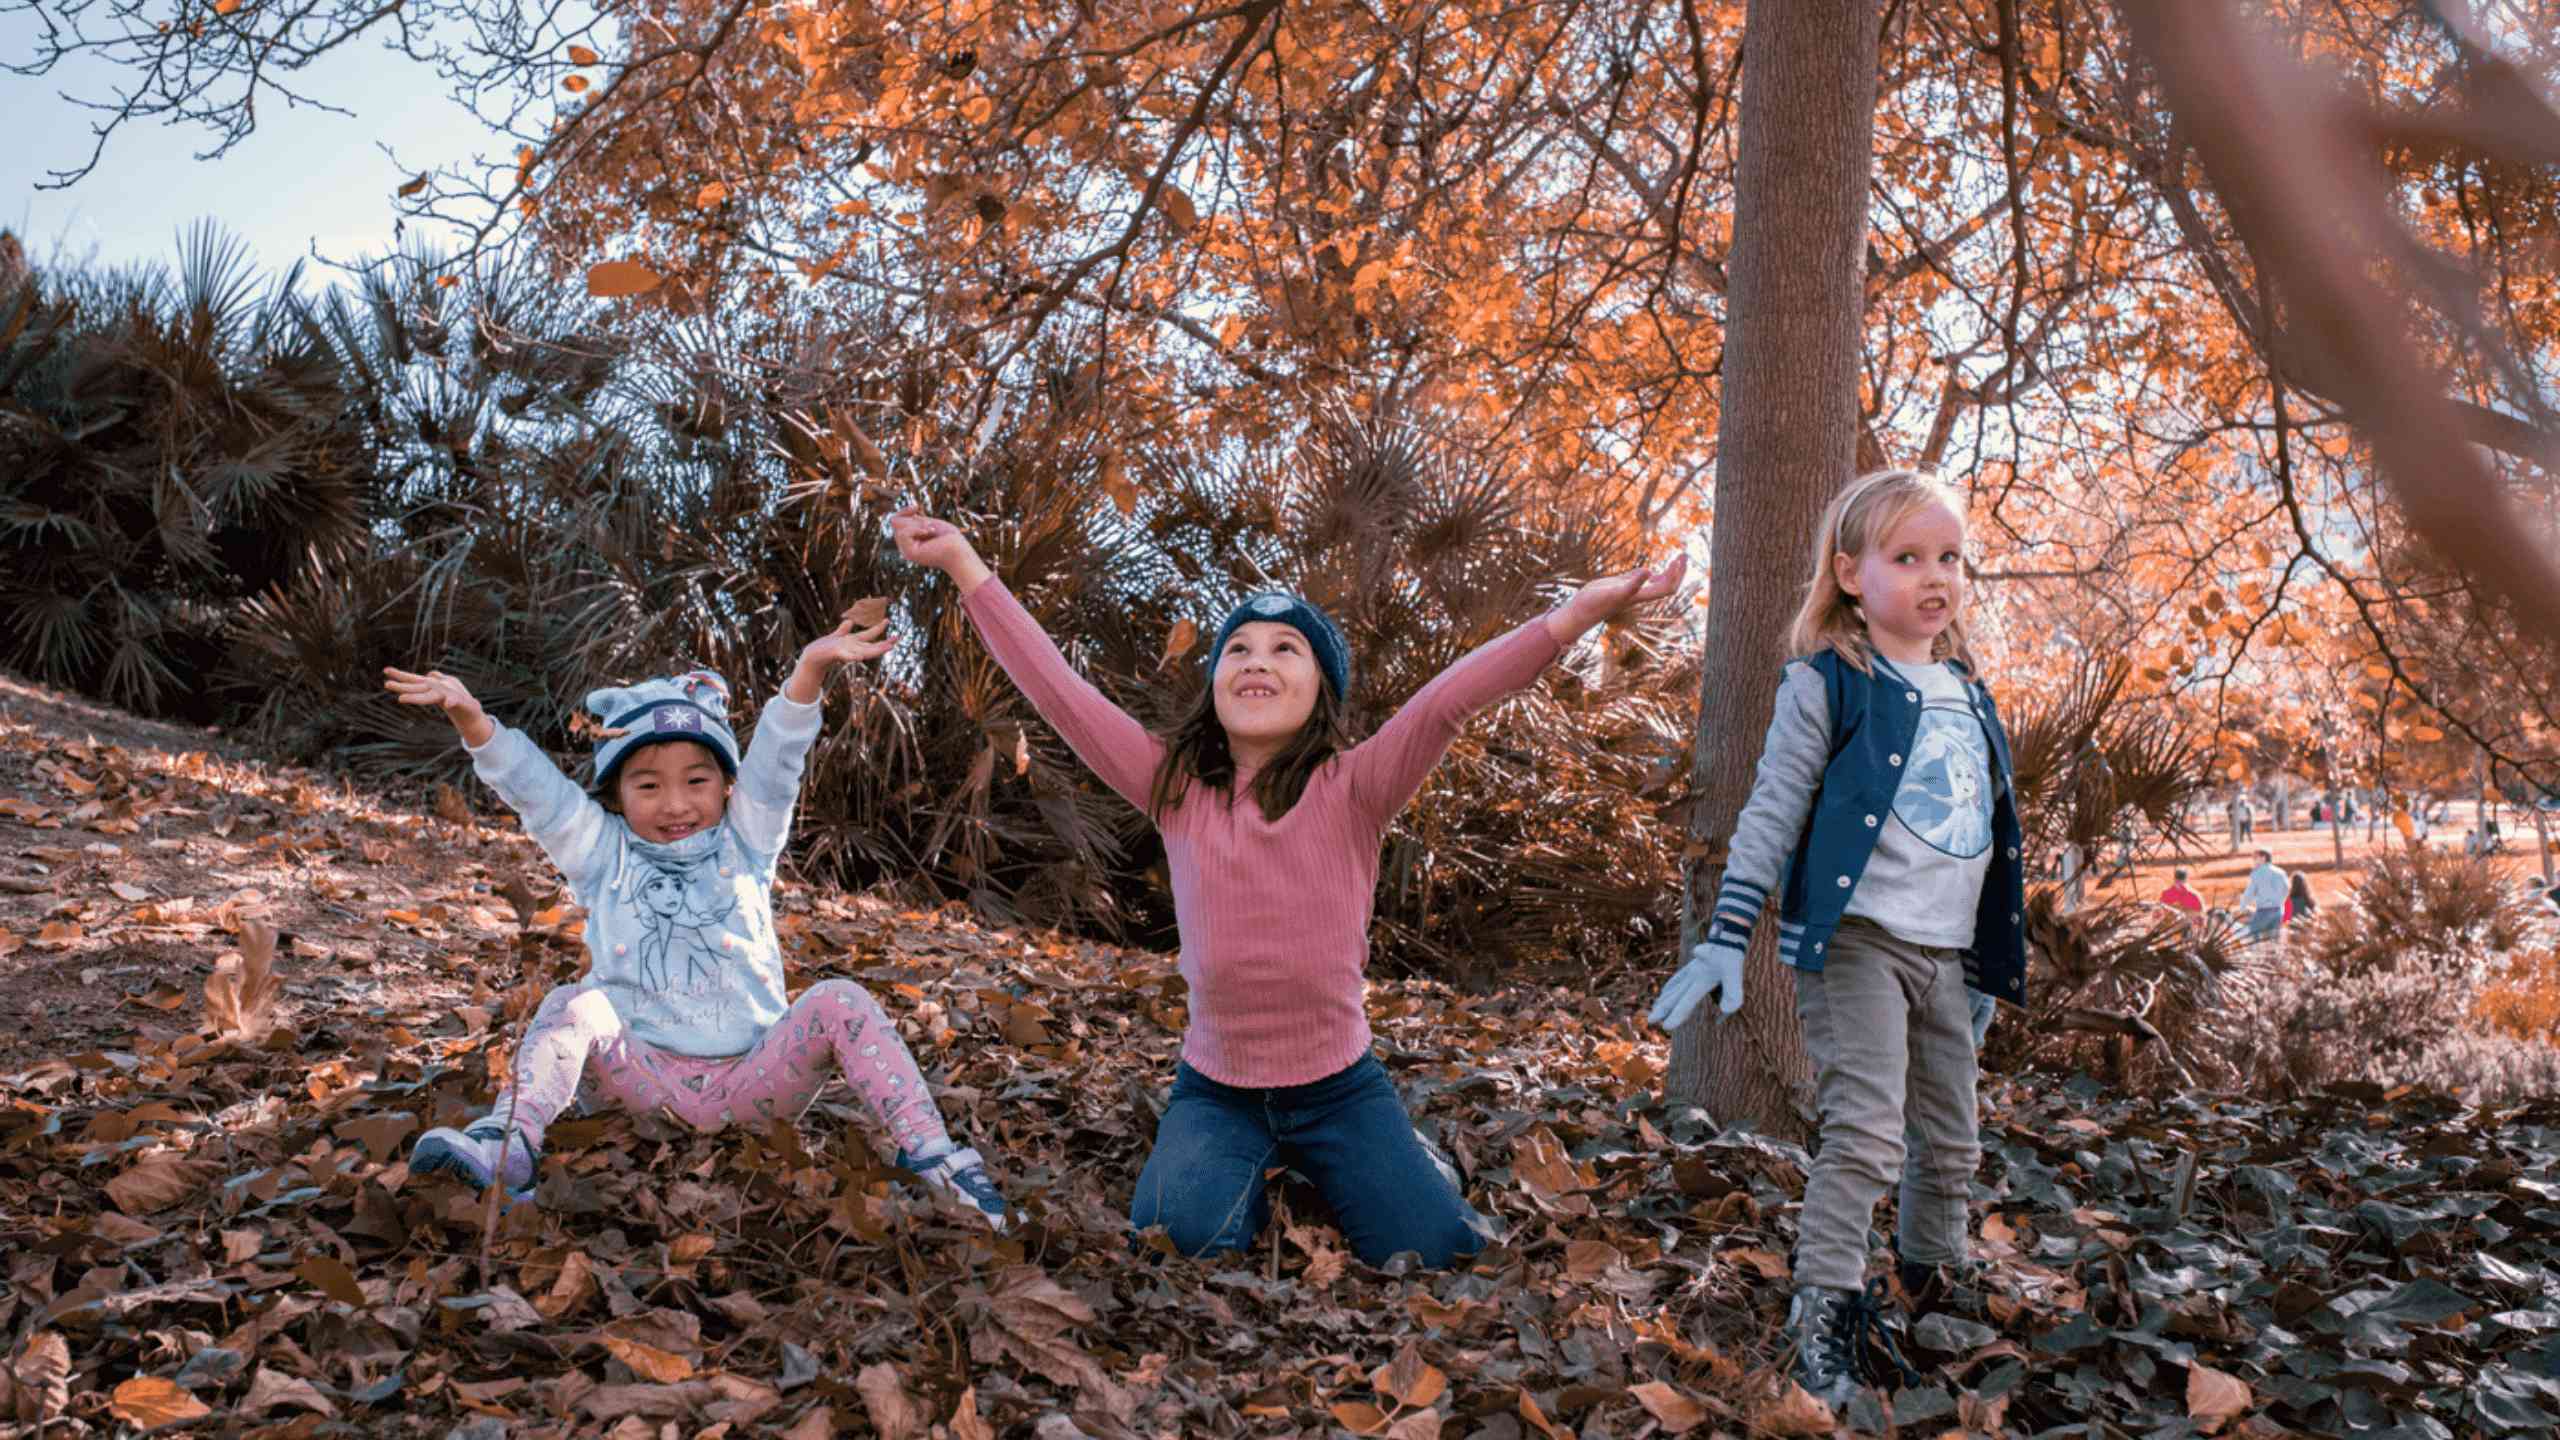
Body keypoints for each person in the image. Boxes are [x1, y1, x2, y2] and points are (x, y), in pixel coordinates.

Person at [890, 506, 1684, 1269]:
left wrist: (1575, 615)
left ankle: (1407, 1164)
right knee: (1181, 1242)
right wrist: (967, 566)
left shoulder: (1360, 786)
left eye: (1284, 650)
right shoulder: (1174, 790)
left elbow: (1449, 701)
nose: (1257, 661)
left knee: (1436, 1250)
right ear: (1215, 686)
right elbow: (1061, 693)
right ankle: (1249, 1169)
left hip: (1341, 1088)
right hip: (1218, 1090)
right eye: (1237, 650)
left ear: (1318, 693)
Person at [380, 629, 1008, 1227]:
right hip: (640, 1081)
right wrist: (474, 723)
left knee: (840, 999)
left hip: (755, 1083)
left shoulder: (748, 840)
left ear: (727, 786)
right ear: (618, 795)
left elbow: (778, 763)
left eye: (697, 781)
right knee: (574, 1003)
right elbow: (538, 793)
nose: (676, 804)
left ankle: (931, 1154)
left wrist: (809, 672)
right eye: (648, 785)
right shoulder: (603, 853)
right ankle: (509, 1141)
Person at [1646, 467, 2024, 1416]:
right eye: (1908, 558)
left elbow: (1984, 829)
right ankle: (1825, 1312)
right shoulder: (1832, 683)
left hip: (1950, 958)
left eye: (1949, 557)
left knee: (1953, 1141)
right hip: (1861, 944)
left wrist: (1990, 956)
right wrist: (1728, 933)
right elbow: (1774, 806)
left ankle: (1932, 1287)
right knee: (1863, 1133)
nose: (1935, 576)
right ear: (1852, 574)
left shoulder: (1968, 690)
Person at [2239, 849, 2289, 942]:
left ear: (2263, 858)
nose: (2254, 861)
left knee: (2253, 936)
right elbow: (2286, 889)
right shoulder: (2281, 872)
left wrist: (2242, 907)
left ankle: (2258, 955)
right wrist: (2280, 901)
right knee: (2274, 941)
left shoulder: (2257, 873)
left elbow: (2249, 893)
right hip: (2278, 910)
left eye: (2255, 858)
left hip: (2263, 911)